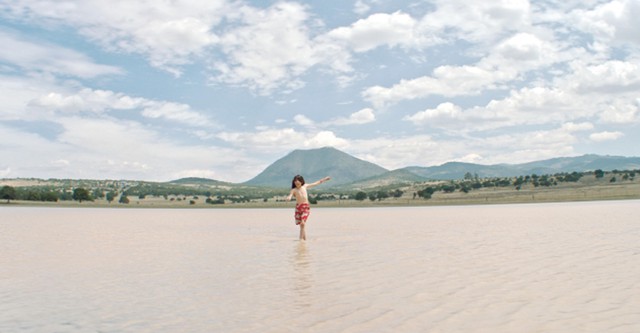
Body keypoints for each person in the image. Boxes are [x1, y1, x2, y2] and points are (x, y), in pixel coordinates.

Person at [286, 175, 331, 240]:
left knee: (302, 223)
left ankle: (300, 240)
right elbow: (290, 195)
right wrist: (289, 197)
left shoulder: (305, 186)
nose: (297, 182)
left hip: (305, 207)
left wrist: (325, 179)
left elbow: (316, 183)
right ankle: (304, 240)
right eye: (295, 181)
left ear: (301, 181)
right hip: (298, 208)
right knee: (302, 225)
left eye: (298, 180)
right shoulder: (294, 190)